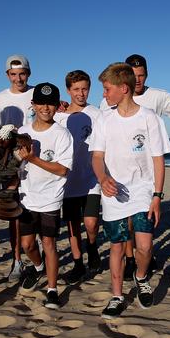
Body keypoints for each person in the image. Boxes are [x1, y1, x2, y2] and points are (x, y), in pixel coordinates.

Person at [100, 53, 170, 280]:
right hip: (119, 173)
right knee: (126, 225)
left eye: (141, 75)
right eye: (133, 76)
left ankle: (141, 258)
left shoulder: (158, 96)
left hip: (145, 175)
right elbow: (101, 127)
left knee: (141, 224)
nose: (137, 80)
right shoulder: (110, 101)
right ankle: (131, 259)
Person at [90, 62, 169, 318]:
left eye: (106, 88)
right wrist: (103, 179)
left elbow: (158, 159)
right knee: (117, 246)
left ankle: (141, 277)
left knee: (144, 247)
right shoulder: (104, 119)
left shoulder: (149, 118)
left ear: (123, 88)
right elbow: (97, 157)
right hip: (113, 194)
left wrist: (157, 195)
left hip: (143, 191)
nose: (104, 93)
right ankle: (116, 296)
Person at [16, 82, 73, 308]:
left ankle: (52, 289)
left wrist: (34, 159)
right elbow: (15, 164)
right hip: (26, 197)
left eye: (50, 103)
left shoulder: (62, 134)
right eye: (41, 103)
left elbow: (62, 169)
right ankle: (38, 267)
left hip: (51, 197)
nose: (45, 108)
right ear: (33, 104)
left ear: (57, 106)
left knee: (48, 242)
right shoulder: (22, 133)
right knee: (28, 245)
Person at [0, 55, 34, 283]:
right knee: (13, 213)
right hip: (11, 163)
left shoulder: (38, 94)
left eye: (22, 73)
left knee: (36, 210)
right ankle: (17, 261)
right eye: (13, 74)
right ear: (7, 75)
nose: (18, 78)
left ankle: (37, 256)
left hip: (36, 161)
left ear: (29, 73)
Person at [54, 70, 102, 284]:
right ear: (68, 90)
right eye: (76, 89)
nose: (81, 93)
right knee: (73, 225)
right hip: (68, 182)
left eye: (84, 89)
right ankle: (78, 264)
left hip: (91, 179)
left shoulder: (97, 113)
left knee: (91, 223)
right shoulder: (59, 116)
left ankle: (92, 247)